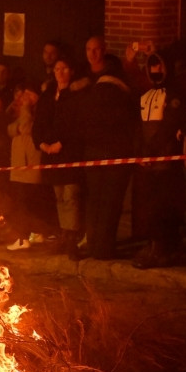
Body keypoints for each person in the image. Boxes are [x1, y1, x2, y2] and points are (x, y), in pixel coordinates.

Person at [79, 54, 140, 260]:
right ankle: (104, 248)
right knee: (110, 203)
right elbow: (131, 125)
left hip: (92, 155)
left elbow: (84, 125)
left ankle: (92, 244)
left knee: (94, 201)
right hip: (116, 157)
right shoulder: (123, 95)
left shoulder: (93, 93)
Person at [130, 50, 186, 268]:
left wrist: (151, 151)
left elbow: (169, 126)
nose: (156, 70)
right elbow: (138, 128)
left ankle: (164, 248)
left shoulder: (173, 95)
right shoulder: (144, 96)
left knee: (164, 206)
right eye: (152, 66)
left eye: (160, 65)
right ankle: (153, 245)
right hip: (148, 163)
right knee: (149, 206)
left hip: (165, 162)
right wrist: (139, 152)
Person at [33, 57, 85, 256]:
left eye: (64, 68)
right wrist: (42, 143)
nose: (60, 72)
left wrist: (61, 143)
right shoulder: (47, 95)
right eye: (57, 69)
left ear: (71, 71)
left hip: (69, 152)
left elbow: (76, 123)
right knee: (59, 196)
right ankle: (64, 233)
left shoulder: (76, 95)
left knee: (70, 195)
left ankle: (72, 235)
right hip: (50, 153)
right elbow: (39, 122)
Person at [5, 82, 54, 250]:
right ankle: (35, 233)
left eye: (29, 94)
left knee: (26, 204)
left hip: (29, 165)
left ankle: (23, 238)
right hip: (20, 165)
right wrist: (18, 124)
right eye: (23, 95)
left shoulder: (38, 111)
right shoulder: (23, 112)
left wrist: (25, 109)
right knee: (25, 203)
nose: (24, 98)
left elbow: (25, 128)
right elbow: (9, 129)